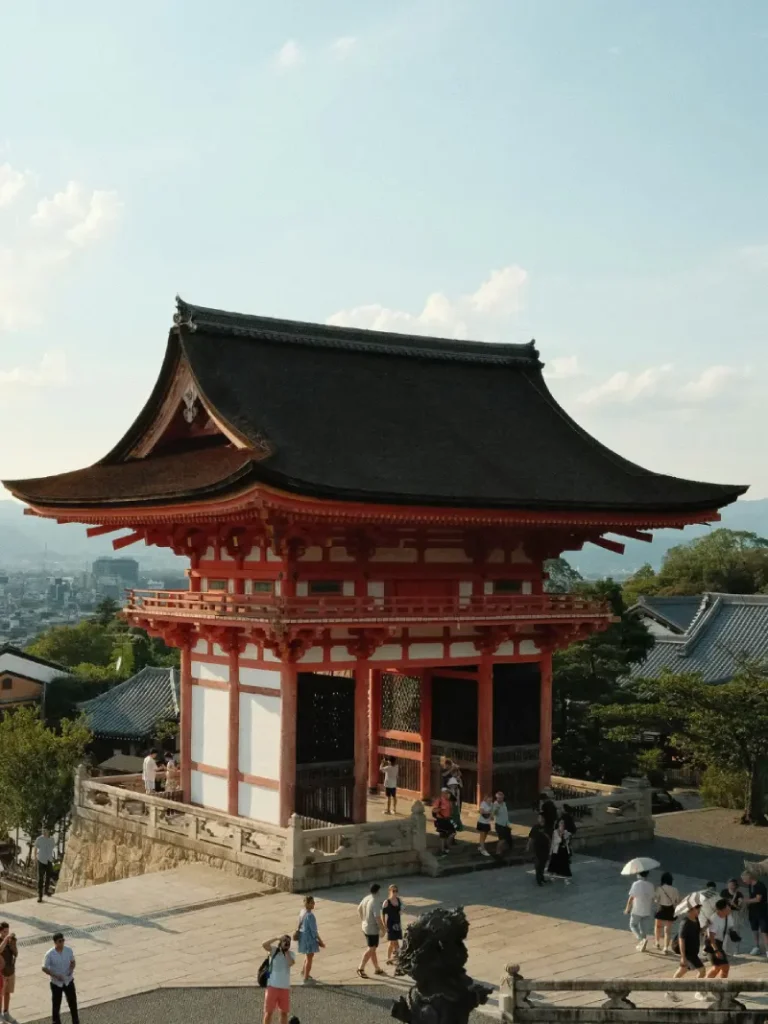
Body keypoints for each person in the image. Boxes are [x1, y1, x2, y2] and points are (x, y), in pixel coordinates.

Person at [666, 903, 706, 1002]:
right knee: (702, 970)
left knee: (682, 970)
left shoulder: (696, 920)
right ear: (691, 910)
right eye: (698, 910)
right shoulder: (685, 922)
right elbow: (681, 939)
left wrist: (705, 927)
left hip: (693, 950)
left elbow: (698, 931)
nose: (699, 912)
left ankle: (670, 991)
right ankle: (698, 992)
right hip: (688, 952)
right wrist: (683, 957)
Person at [42, 932, 79, 1024]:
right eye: (60, 941)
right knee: (56, 1004)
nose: (62, 943)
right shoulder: (49, 954)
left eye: (63, 940)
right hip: (56, 983)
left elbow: (73, 962)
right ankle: (56, 1022)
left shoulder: (68, 950)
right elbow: (44, 967)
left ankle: (75, 1021)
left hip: (68, 980)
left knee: (72, 1002)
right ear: (55, 942)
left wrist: (71, 969)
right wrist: (54, 975)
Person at [261, 933, 295, 1024]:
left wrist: (286, 951)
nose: (287, 943)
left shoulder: (291, 954)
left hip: (284, 988)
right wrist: (276, 938)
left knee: (284, 1013)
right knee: (269, 1012)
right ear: (280, 942)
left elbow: (290, 963)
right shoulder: (273, 951)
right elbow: (264, 944)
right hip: (272, 986)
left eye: (288, 942)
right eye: (285, 941)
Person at [357, 883, 385, 979]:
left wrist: (363, 920)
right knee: (371, 949)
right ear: (378, 891)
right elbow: (377, 918)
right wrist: (383, 930)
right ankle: (360, 968)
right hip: (372, 929)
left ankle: (377, 968)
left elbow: (359, 909)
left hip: (365, 927)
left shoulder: (366, 898)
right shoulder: (375, 902)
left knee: (372, 948)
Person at [296, 895, 324, 985]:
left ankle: (304, 972)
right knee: (309, 957)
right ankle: (306, 977)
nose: (314, 904)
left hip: (303, 937)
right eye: (312, 903)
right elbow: (314, 931)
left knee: (307, 956)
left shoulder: (302, 912)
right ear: (307, 904)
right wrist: (320, 941)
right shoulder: (310, 916)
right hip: (309, 938)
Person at [624, 871, 655, 951]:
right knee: (643, 929)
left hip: (637, 910)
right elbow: (652, 898)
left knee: (633, 925)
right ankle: (642, 946)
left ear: (638, 875)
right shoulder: (650, 885)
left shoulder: (636, 884)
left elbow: (631, 897)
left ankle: (641, 940)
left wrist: (628, 908)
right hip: (646, 910)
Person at [703, 899, 731, 985]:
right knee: (717, 967)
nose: (730, 908)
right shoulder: (714, 919)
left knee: (724, 967)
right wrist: (716, 951)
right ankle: (702, 989)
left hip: (718, 943)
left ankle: (721, 987)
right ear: (722, 910)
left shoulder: (725, 916)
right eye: (728, 907)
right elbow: (711, 937)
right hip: (712, 944)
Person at [742, 870, 768, 957]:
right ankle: (756, 947)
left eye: (744, 879)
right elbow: (751, 896)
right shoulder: (750, 886)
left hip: (761, 911)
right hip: (753, 911)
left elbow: (758, 899)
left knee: (764, 931)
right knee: (754, 930)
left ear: (749, 877)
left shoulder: (760, 886)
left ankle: (767, 950)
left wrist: (746, 901)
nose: (744, 881)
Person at [654, 872, 680, 952]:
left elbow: (656, 900)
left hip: (661, 909)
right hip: (670, 910)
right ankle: (665, 947)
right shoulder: (675, 889)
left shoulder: (659, 889)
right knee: (667, 931)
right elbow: (677, 900)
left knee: (657, 927)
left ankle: (657, 942)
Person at [381, 884, 403, 967]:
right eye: (393, 891)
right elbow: (383, 914)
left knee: (391, 943)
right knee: (394, 943)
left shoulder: (399, 900)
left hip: (397, 923)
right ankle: (398, 957)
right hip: (390, 924)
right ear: (389, 891)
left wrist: (401, 911)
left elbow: (401, 909)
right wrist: (384, 925)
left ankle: (389, 958)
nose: (395, 893)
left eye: (396, 891)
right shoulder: (387, 902)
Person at [721, 878, 746, 953]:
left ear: (735, 886)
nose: (731, 886)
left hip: (735, 913)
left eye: (732, 885)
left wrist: (734, 904)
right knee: (725, 931)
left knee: (735, 931)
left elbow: (739, 907)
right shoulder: (724, 892)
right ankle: (724, 949)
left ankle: (736, 950)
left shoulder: (739, 894)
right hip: (726, 912)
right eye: (729, 884)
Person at [0, 922, 17, 1024]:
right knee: (0, 995)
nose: (6, 933)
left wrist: (12, 944)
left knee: (7, 993)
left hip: (10, 971)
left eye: (7, 931)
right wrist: (6, 940)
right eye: (4, 931)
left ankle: (6, 1012)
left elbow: (16, 953)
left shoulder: (12, 940)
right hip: (2, 973)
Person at [527, 813, 551, 886]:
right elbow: (531, 838)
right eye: (540, 818)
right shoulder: (535, 827)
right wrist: (528, 846)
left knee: (543, 864)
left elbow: (550, 838)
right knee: (538, 864)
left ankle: (542, 877)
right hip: (537, 848)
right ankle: (538, 880)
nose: (541, 819)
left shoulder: (547, 827)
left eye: (542, 817)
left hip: (545, 848)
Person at [33, 828, 56, 904]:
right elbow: (35, 848)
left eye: (45, 830)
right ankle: (40, 896)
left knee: (48, 877)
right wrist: (35, 858)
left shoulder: (52, 839)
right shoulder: (39, 839)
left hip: (49, 860)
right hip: (41, 860)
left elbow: (52, 848)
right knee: (40, 878)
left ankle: (46, 891)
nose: (44, 831)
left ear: (49, 831)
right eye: (43, 830)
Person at [547, 819, 572, 884]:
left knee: (565, 864)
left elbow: (567, 842)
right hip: (557, 850)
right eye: (561, 823)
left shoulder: (566, 831)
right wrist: (561, 835)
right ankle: (552, 875)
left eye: (563, 823)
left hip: (564, 850)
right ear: (558, 824)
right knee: (554, 863)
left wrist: (567, 837)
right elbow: (555, 841)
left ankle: (566, 878)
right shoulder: (555, 832)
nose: (562, 825)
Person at [431, 789, 455, 856]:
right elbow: (434, 810)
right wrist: (441, 808)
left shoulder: (449, 801)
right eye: (447, 793)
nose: (448, 795)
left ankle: (446, 846)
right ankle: (442, 850)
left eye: (448, 793)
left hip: (449, 819)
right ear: (443, 793)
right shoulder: (439, 800)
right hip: (441, 819)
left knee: (453, 833)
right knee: (442, 835)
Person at [492, 791, 512, 859]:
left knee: (507, 839)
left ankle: (503, 852)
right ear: (497, 798)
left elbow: (505, 815)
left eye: (502, 798)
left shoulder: (504, 804)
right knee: (502, 839)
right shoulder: (495, 804)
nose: (500, 799)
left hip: (506, 824)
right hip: (499, 825)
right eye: (499, 798)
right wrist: (496, 809)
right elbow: (493, 813)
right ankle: (498, 852)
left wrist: (508, 824)